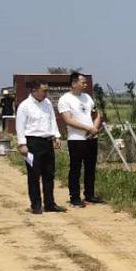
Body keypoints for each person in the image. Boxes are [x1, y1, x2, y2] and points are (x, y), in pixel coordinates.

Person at [16, 81, 65, 215]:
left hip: (47, 142)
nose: (46, 93)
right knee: (34, 175)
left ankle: (50, 203)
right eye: (44, 90)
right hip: (32, 143)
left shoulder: (47, 103)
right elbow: (20, 126)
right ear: (34, 90)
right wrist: (22, 144)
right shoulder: (24, 106)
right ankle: (36, 204)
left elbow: (52, 120)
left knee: (49, 174)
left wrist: (56, 136)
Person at [58, 72, 104, 207]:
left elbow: (96, 114)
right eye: (82, 82)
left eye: (86, 82)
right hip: (77, 139)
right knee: (75, 168)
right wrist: (87, 128)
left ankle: (89, 195)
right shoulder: (65, 99)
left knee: (90, 167)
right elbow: (68, 119)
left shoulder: (87, 97)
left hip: (91, 138)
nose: (85, 84)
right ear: (73, 83)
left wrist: (94, 128)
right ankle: (75, 197)